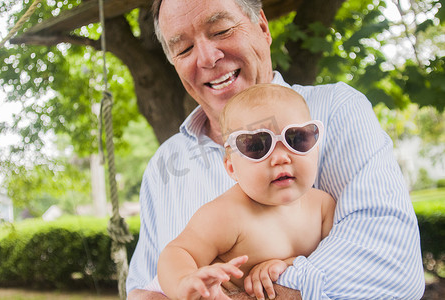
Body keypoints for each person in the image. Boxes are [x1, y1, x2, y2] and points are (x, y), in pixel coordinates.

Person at [126, 0, 425, 299]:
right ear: (230, 164)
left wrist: (285, 271)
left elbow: (390, 264)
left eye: (221, 30)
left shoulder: (336, 110)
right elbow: (143, 288)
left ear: (262, 27)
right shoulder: (163, 164)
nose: (206, 57)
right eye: (184, 49)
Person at [155, 84, 335, 300]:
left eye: (296, 139)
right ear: (232, 167)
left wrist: (290, 265)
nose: (281, 158)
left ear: (315, 148)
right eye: (257, 146)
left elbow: (335, 261)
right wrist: (185, 282)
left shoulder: (324, 207)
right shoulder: (227, 214)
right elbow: (177, 252)